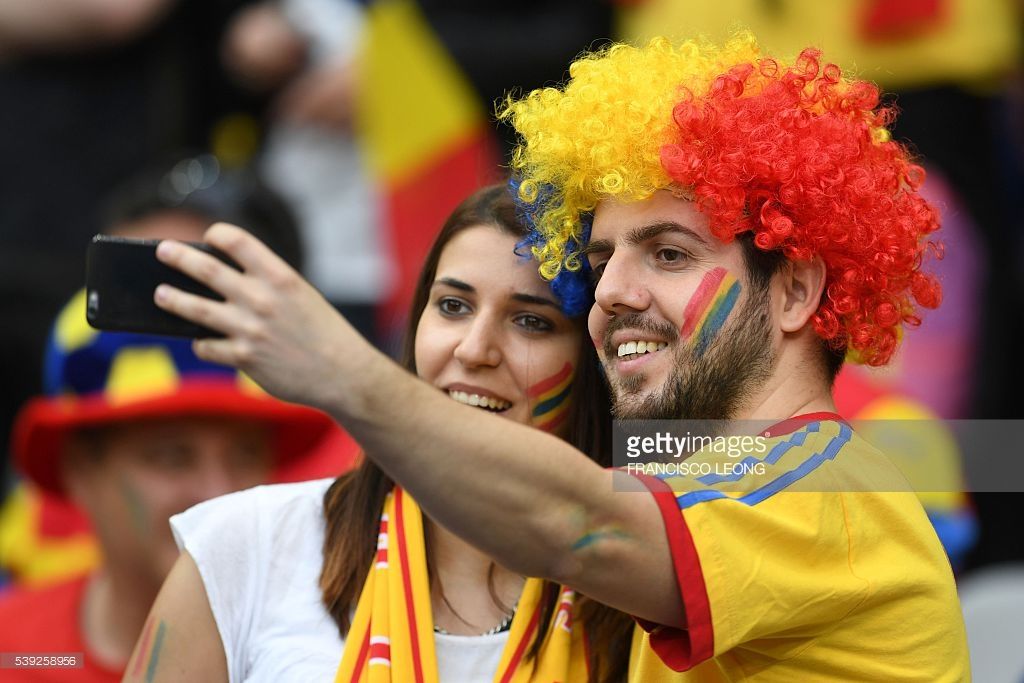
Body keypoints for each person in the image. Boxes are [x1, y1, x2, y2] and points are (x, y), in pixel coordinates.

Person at [141, 34, 969, 680]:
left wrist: (342, 372)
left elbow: (581, 526)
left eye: (670, 254)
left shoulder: (829, 488)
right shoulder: (684, 507)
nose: (611, 292)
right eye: (604, 258)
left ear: (794, 291)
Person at [126, 184, 632, 682]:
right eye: (453, 306)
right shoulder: (244, 546)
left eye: (530, 321)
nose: (474, 349)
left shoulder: (649, 592)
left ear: (592, 359)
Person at [0, 292, 335, 682]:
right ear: (80, 469)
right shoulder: (17, 654)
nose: (217, 492)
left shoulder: (328, 656)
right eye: (172, 457)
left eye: (244, 455)